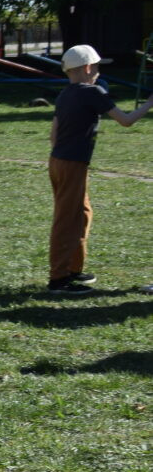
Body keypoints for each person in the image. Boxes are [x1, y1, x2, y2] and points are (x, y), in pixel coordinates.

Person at [46, 44, 153, 294]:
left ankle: (74, 269)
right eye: (96, 67)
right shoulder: (92, 92)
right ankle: (58, 280)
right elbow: (126, 121)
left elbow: (53, 135)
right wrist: (149, 103)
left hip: (58, 161)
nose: (97, 72)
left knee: (82, 213)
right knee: (66, 220)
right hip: (73, 163)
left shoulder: (65, 94)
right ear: (86, 67)